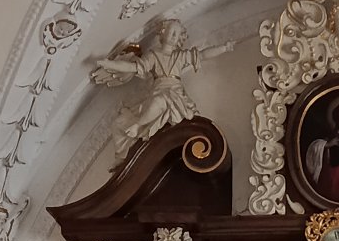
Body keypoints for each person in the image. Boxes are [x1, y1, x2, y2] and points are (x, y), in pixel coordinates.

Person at [91, 19, 234, 166]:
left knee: (159, 101)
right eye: (172, 31)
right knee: (119, 123)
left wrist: (224, 47)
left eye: (177, 34)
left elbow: (202, 55)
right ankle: (121, 158)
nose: (174, 36)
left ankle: (137, 126)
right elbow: (132, 67)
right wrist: (110, 64)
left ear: (180, 38)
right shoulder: (153, 55)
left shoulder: (180, 56)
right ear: (163, 32)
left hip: (174, 93)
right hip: (157, 91)